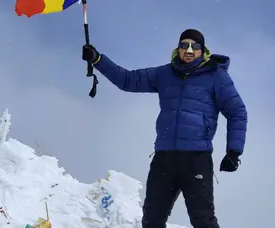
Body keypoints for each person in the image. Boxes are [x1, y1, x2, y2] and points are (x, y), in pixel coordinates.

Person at [82, 29, 247, 228]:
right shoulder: (165, 74)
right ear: (177, 48)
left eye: (194, 46)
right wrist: (98, 60)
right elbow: (127, 80)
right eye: (184, 45)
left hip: (196, 158)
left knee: (203, 220)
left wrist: (233, 151)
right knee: (152, 220)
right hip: (164, 158)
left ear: (203, 51)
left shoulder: (216, 77)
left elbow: (237, 111)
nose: (189, 50)